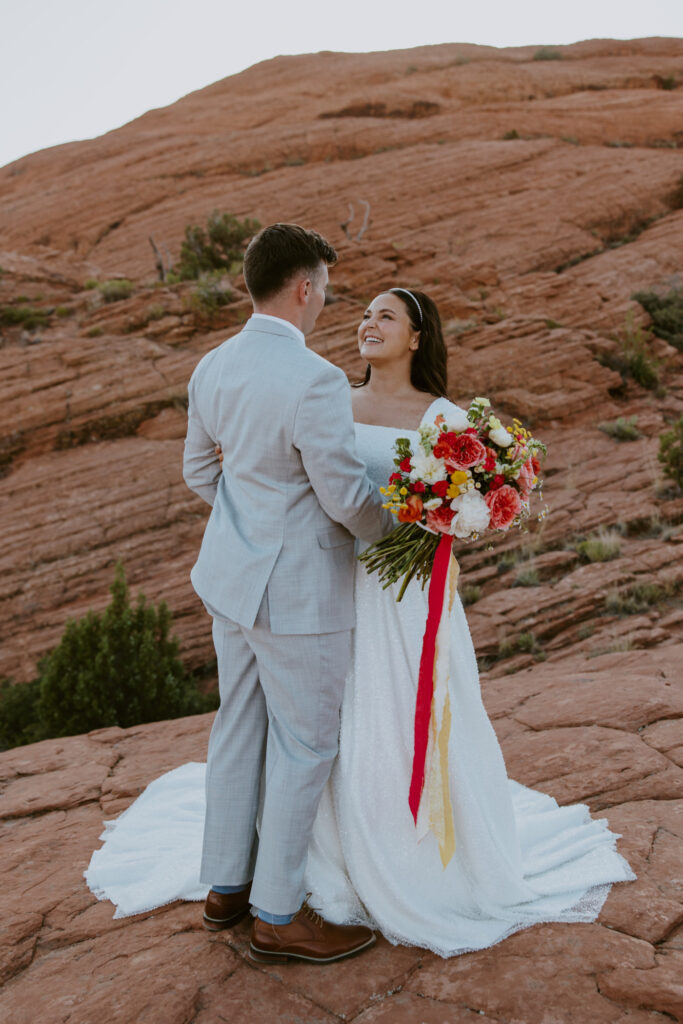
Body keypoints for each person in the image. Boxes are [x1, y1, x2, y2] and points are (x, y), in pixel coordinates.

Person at [85, 285, 635, 958]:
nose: (368, 323)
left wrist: (451, 519)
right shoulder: (326, 397)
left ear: (415, 338)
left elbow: (474, 506)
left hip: (403, 601)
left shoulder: (445, 419)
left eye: (387, 316)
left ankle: (393, 859)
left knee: (393, 716)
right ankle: (300, 868)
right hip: (324, 583)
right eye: (365, 313)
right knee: (320, 726)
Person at [179, 222, 393, 964]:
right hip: (298, 593)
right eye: (326, 293)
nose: (326, 306)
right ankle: (276, 913)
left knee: (236, 727)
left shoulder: (210, 366)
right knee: (306, 745)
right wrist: (399, 530)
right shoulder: (314, 379)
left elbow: (200, 476)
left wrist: (250, 522)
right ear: (303, 288)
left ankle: (224, 888)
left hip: (229, 580)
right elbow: (343, 498)